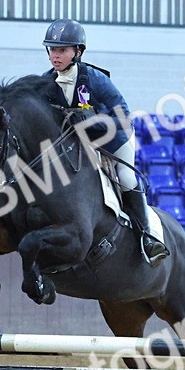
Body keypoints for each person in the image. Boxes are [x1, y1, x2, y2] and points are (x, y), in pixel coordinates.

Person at [37, 19, 169, 264]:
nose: (55, 56)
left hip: (112, 142)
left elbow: (124, 117)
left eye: (62, 50)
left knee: (127, 179)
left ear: (78, 52)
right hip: (78, 148)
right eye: (52, 50)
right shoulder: (45, 83)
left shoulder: (95, 79)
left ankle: (148, 237)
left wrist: (91, 120)